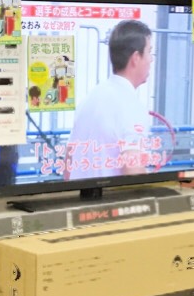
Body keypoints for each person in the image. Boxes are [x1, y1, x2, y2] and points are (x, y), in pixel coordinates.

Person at [65, 19, 155, 179]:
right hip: (112, 196)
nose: (151, 59)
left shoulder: (89, 99)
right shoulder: (131, 106)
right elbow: (133, 173)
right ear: (136, 58)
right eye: (149, 52)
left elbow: (68, 166)